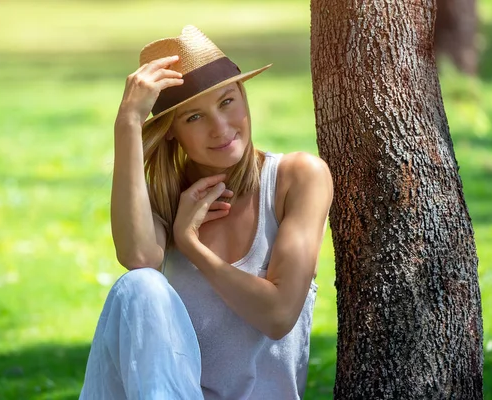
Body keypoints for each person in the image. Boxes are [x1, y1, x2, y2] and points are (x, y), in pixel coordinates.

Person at [79, 25, 333, 400]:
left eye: (227, 101)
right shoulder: (166, 197)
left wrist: (191, 245)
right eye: (193, 117)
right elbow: (138, 258)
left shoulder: (295, 178)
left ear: (244, 97)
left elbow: (278, 316)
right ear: (171, 131)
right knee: (138, 285)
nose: (220, 128)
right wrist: (128, 122)